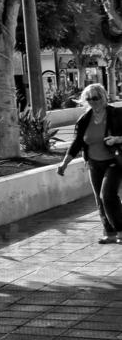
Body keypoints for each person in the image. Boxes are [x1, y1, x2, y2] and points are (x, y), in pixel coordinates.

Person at [58, 82, 122, 243]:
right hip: (94, 163)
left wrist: (117, 139)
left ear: (104, 97)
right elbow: (77, 143)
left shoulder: (117, 114)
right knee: (99, 199)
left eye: (96, 97)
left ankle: (121, 231)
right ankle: (110, 233)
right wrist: (64, 163)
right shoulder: (84, 119)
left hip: (114, 161)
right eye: (89, 98)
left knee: (107, 195)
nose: (93, 101)